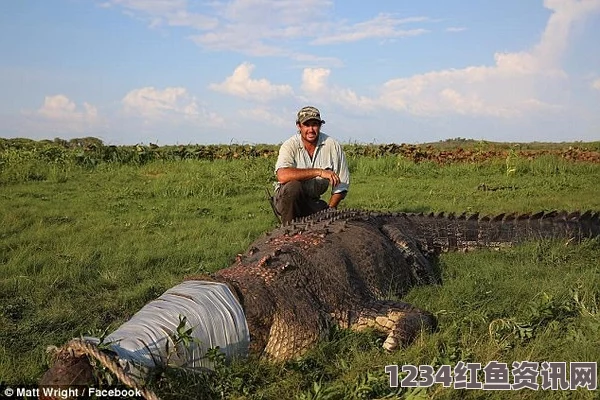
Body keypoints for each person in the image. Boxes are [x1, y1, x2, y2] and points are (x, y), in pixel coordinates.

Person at [273, 106, 350, 224]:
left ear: (320, 126)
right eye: (307, 125)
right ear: (299, 126)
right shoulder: (290, 145)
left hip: (312, 201)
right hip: (286, 199)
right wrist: (319, 172)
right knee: (294, 187)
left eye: (315, 124)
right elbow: (282, 175)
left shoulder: (332, 145)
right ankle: (287, 231)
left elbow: (342, 184)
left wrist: (331, 208)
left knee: (325, 218)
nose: (311, 129)